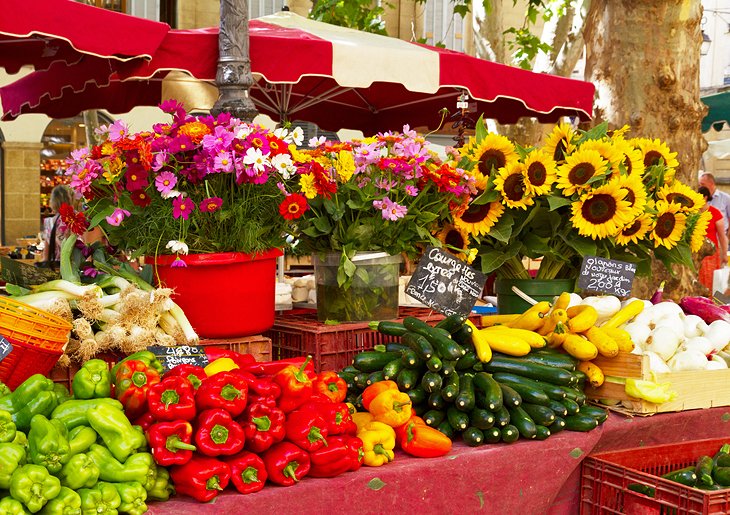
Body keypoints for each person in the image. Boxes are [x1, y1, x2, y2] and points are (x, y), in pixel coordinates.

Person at [698, 186, 728, 292]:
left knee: (714, 281)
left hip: (711, 255)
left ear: (705, 197)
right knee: (698, 281)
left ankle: (716, 304)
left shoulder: (715, 213)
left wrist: (724, 254)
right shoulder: (694, 213)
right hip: (696, 253)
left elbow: (722, 236)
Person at [40, 185, 75, 265]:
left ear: (52, 202)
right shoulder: (77, 219)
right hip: (76, 266)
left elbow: (46, 255)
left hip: (57, 267)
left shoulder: (49, 222)